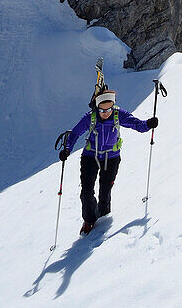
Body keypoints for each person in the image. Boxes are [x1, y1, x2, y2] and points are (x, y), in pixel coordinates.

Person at [59, 89, 158, 234]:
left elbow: (137, 125)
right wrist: (67, 149)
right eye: (102, 109)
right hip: (90, 157)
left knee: (105, 191)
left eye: (109, 109)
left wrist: (149, 124)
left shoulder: (118, 114)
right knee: (86, 192)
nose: (106, 112)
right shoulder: (90, 117)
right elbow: (75, 133)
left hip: (111, 158)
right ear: (97, 107)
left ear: (113, 105)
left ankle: (104, 220)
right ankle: (89, 220)